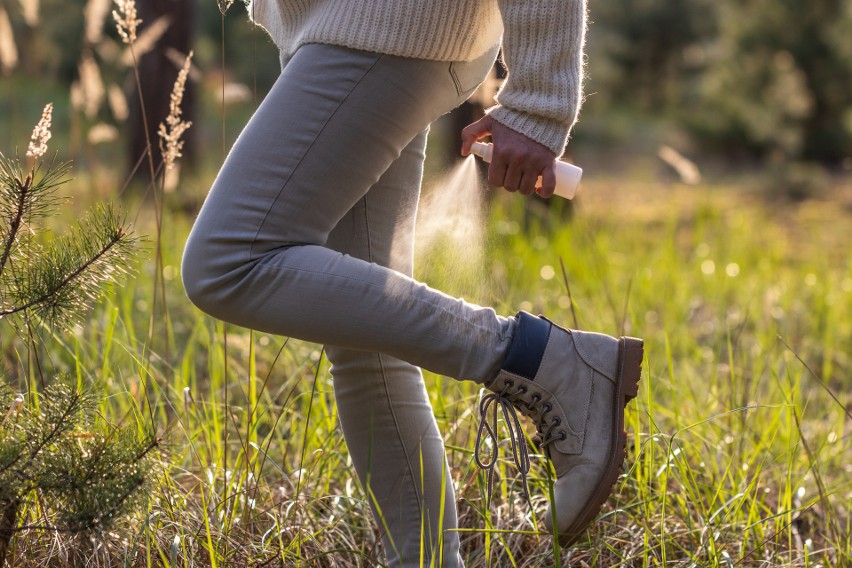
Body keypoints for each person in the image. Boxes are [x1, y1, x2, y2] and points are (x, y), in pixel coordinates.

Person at [181, 1, 643, 565]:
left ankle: (543, 361)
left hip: (384, 24)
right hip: (352, 28)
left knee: (227, 261)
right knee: (366, 346)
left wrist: (538, 102)